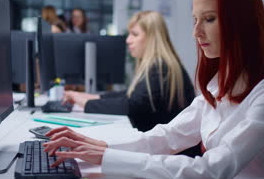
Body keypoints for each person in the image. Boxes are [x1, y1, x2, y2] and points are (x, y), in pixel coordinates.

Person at [44, 0, 264, 179]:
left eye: (209, 19)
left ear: (242, 22)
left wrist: (106, 157)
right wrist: (98, 145)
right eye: (195, 20)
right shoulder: (221, 82)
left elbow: (210, 173)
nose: (196, 32)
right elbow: (167, 137)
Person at [63, 11, 196, 134]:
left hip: (170, 154)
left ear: (152, 38)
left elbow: (132, 106)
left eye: (135, 34)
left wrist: (85, 103)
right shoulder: (159, 65)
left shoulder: (161, 69)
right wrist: (86, 97)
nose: (128, 40)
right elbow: (130, 96)